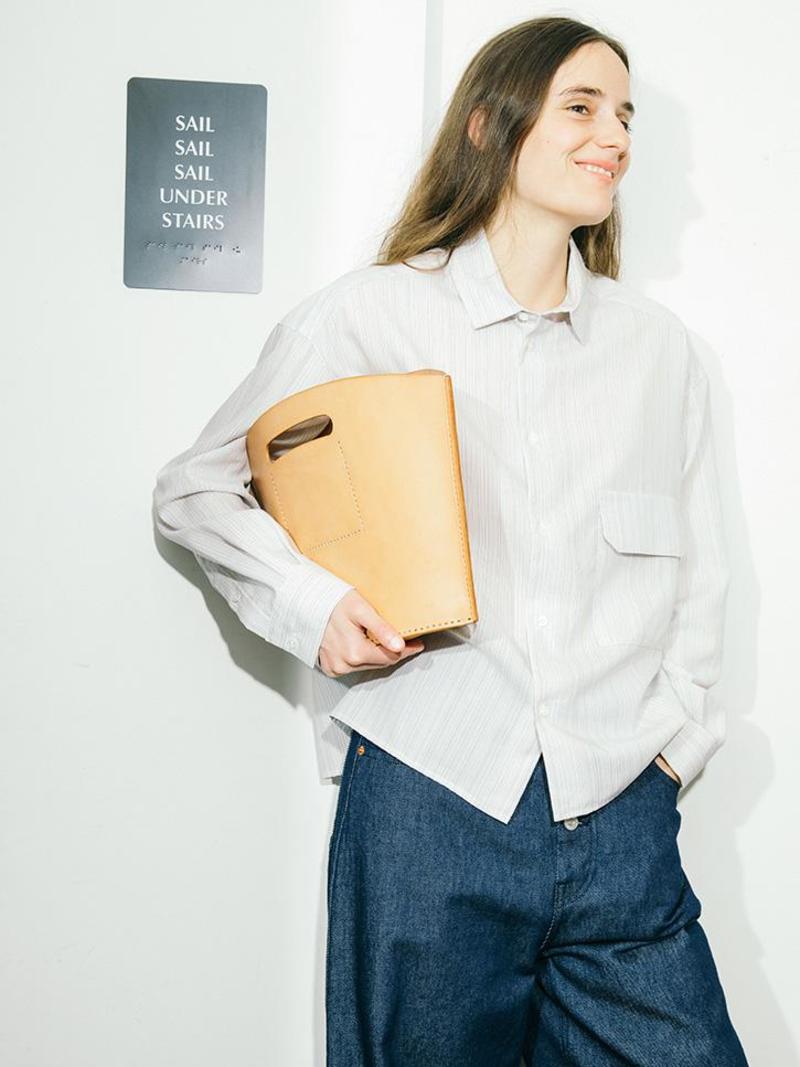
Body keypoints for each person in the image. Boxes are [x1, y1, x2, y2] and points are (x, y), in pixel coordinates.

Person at [153, 15, 749, 1066]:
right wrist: (315, 608)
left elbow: (700, 572)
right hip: (429, 801)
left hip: (620, 813)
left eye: (624, 115)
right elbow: (196, 489)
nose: (613, 135)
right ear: (488, 124)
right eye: (580, 107)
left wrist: (673, 750)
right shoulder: (370, 315)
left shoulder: (660, 353)